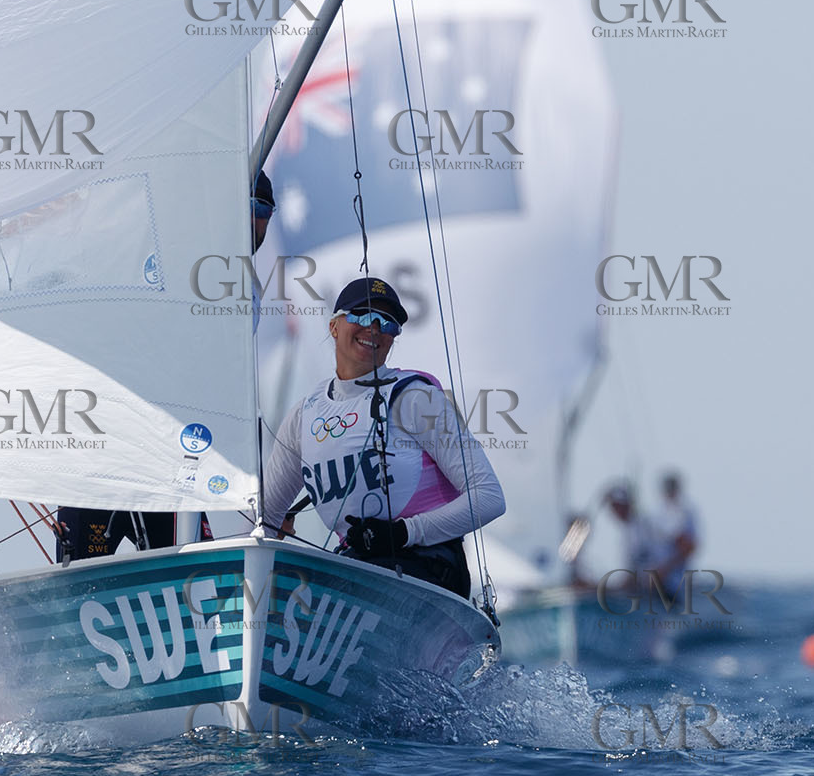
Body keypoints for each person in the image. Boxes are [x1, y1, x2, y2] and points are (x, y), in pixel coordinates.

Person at [54, 171, 277, 561]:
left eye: (260, 209)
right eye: (240, 206)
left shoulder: (247, 286)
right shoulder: (159, 254)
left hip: (173, 470)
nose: (250, 218)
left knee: (194, 584)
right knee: (76, 587)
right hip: (103, 460)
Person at [260, 275, 505, 597]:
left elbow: (488, 498)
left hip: (427, 568)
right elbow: (265, 519)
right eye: (362, 315)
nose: (374, 328)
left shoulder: (416, 398)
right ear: (334, 326)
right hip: (357, 573)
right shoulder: (304, 416)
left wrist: (404, 533)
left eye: (388, 324)